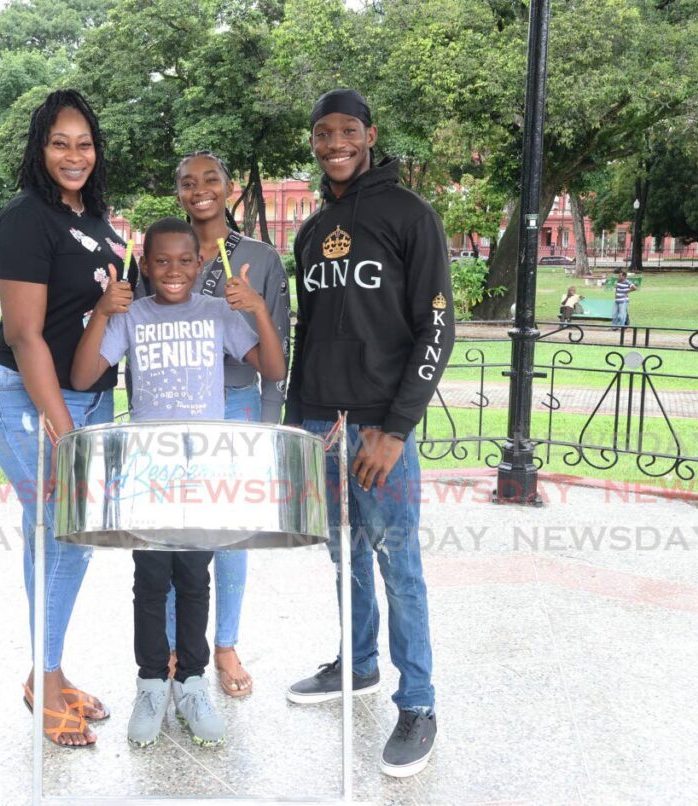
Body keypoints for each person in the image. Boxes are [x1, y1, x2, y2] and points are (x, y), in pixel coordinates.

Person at [283, 89, 455, 778]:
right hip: (321, 427)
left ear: (370, 135)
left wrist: (395, 427)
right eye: (323, 133)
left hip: (383, 429)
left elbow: (434, 330)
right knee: (343, 558)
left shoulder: (411, 215)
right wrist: (295, 430)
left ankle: (418, 703)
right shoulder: (307, 231)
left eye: (347, 131)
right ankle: (357, 667)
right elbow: (310, 334)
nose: (334, 144)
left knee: (398, 566)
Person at [71, 217, 286, 748]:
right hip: (149, 472)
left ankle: (191, 683)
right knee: (150, 579)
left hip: (203, 472)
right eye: (160, 261)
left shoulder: (218, 313)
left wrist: (257, 308)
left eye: (184, 261)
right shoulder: (132, 315)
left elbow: (274, 369)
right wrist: (102, 312)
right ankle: (150, 682)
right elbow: (81, 376)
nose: (173, 270)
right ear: (145, 266)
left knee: (194, 578)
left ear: (199, 265)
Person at [0, 89, 134, 748]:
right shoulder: (26, 218)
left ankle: (52, 671)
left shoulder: (96, 220)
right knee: (61, 528)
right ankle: (46, 678)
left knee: (63, 533)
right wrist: (63, 432)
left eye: (85, 143)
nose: (75, 155)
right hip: (27, 400)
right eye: (61, 142)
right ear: (41, 149)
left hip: (88, 399)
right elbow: (26, 335)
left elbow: (100, 316)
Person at [134, 151, 291, 698]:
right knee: (172, 532)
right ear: (178, 192)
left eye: (210, 180)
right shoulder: (164, 250)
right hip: (171, 413)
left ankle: (224, 642)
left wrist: (268, 430)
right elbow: (139, 336)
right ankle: (179, 644)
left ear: (229, 189)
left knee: (228, 537)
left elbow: (278, 345)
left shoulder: (260, 257)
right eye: (187, 182)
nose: (199, 189)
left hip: (239, 403)